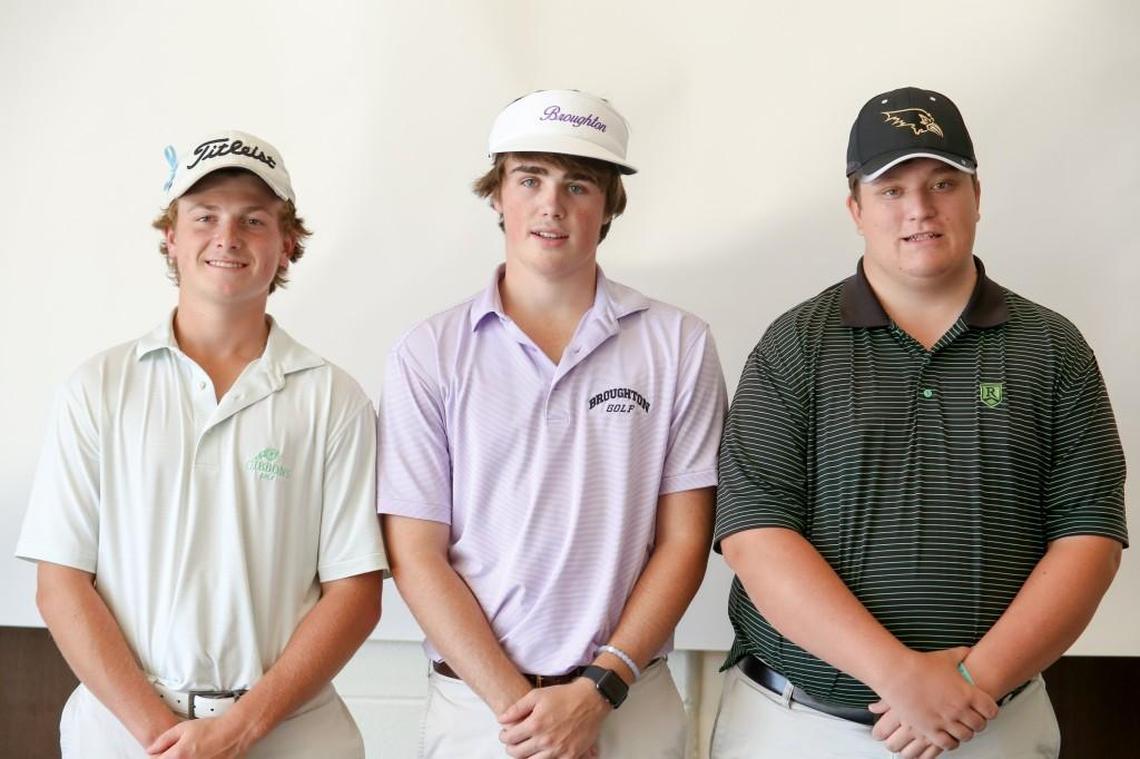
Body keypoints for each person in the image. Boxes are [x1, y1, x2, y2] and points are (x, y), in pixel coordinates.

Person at [711, 86, 1127, 758]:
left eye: (942, 182)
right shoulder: (794, 345)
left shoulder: (1054, 348)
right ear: (855, 208)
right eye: (892, 190)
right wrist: (901, 677)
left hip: (993, 724)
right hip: (798, 728)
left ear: (977, 195)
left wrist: (967, 684)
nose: (920, 210)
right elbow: (755, 536)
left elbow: (1090, 537)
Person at [16, 130, 387, 758]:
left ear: (288, 244)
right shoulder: (98, 389)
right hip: (122, 729)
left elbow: (355, 593)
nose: (228, 237)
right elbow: (61, 584)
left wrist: (240, 728)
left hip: (290, 731)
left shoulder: (334, 399)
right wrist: (165, 740)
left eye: (254, 220)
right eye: (204, 217)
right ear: (171, 236)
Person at [378, 89, 726, 758]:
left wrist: (598, 690)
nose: (552, 205)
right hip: (481, 711)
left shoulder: (679, 345)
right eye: (529, 178)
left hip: (630, 700)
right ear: (497, 194)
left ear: (608, 206)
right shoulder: (429, 353)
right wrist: (528, 715)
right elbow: (416, 553)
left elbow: (684, 540)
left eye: (579, 185)